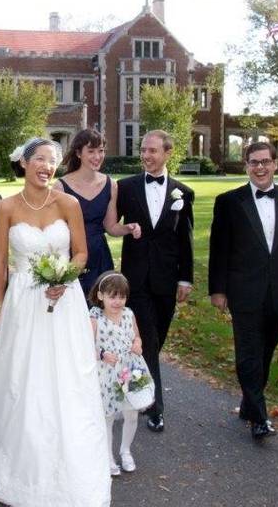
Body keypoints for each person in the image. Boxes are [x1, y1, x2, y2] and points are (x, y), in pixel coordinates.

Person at [0, 137, 111, 507]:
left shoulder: (68, 203)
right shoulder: (7, 206)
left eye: (53, 161)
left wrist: (64, 278)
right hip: (23, 302)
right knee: (21, 378)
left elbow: (81, 252)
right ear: (24, 163)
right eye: (41, 159)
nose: (47, 166)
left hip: (64, 304)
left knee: (65, 378)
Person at [209, 141, 278, 440]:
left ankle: (249, 403)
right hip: (243, 292)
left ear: (275, 164)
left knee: (266, 353)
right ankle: (260, 417)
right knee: (248, 352)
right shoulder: (229, 202)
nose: (259, 167)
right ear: (246, 165)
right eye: (253, 162)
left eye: (265, 162)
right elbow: (219, 250)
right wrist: (217, 290)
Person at [115, 129, 194, 433]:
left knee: (156, 339)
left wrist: (185, 278)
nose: (146, 156)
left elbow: (185, 239)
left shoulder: (182, 193)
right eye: (143, 151)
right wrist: (123, 230)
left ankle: (135, 381)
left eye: (152, 151)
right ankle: (154, 407)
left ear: (167, 153)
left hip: (167, 279)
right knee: (146, 338)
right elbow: (111, 224)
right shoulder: (126, 187)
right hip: (135, 279)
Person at [57, 128, 141, 293]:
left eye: (101, 151)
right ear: (78, 153)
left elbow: (110, 227)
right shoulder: (60, 186)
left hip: (100, 257)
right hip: (71, 257)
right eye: (91, 151)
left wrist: (128, 228)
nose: (97, 156)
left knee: (100, 310)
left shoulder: (111, 185)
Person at [89, 270, 147, 476]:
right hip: (107, 373)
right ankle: (107, 456)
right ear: (101, 296)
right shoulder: (95, 318)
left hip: (130, 369)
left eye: (121, 296)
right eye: (112, 296)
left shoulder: (129, 314)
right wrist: (102, 353)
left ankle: (125, 450)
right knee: (109, 415)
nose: (117, 301)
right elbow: (86, 347)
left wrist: (138, 344)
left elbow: (137, 336)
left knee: (132, 412)